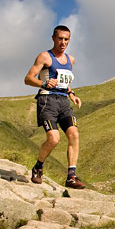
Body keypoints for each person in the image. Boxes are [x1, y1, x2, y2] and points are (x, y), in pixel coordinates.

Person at [24, 25, 85, 189]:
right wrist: (43, 82)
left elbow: (67, 82)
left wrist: (72, 94)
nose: (63, 42)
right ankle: (38, 166)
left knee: (74, 134)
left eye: (66, 39)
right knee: (54, 138)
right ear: (53, 38)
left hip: (64, 102)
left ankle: (71, 176)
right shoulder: (45, 57)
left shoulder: (71, 60)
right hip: (47, 100)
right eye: (60, 39)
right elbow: (28, 79)